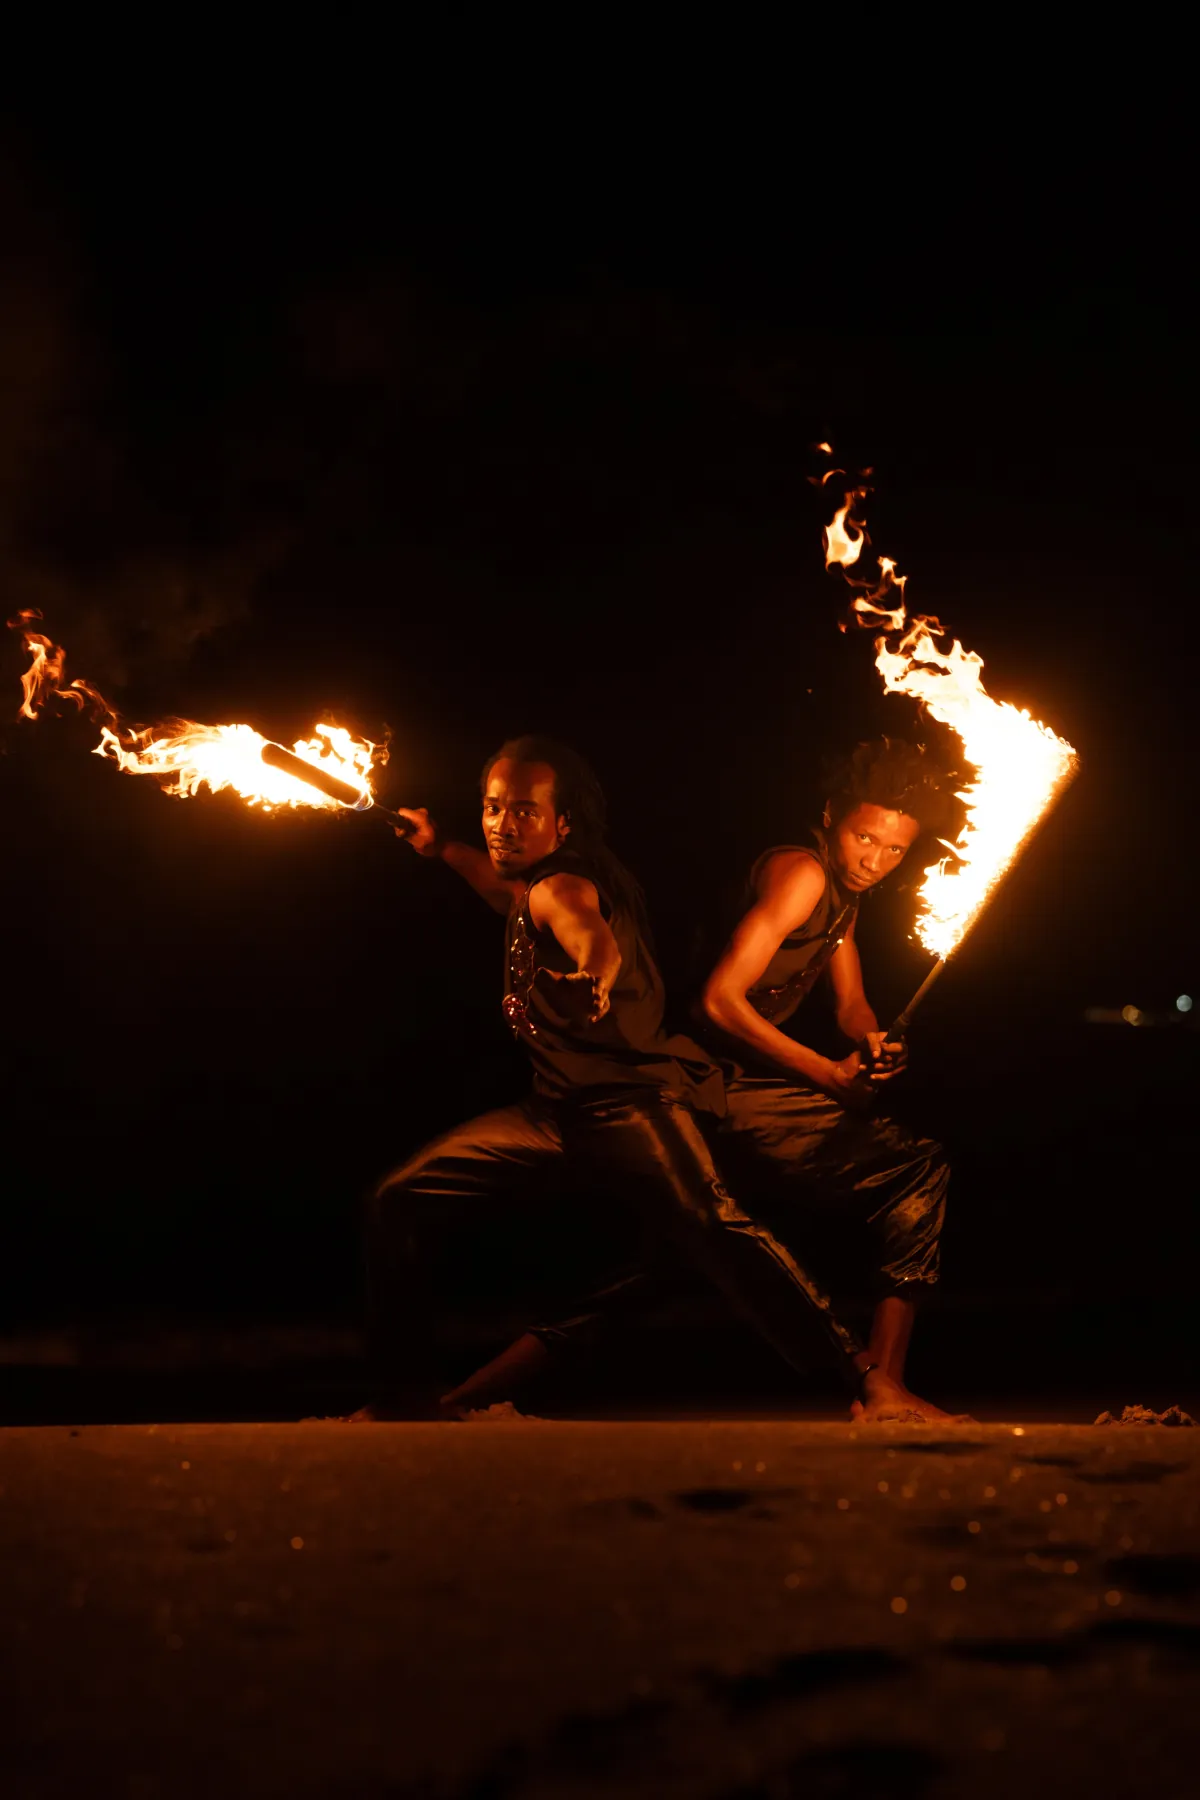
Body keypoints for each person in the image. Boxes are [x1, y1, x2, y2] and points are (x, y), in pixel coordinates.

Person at [353, 735, 906, 1420]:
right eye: (493, 808)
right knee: (397, 1199)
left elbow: (589, 931)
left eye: (525, 811)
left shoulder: (564, 886)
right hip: (554, 1111)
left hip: (630, 1104)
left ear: (563, 825)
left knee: (713, 1225)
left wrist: (595, 971)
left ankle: (869, 1381)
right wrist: (440, 846)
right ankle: (406, 1398)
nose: (502, 825)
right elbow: (499, 889)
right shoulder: (531, 883)